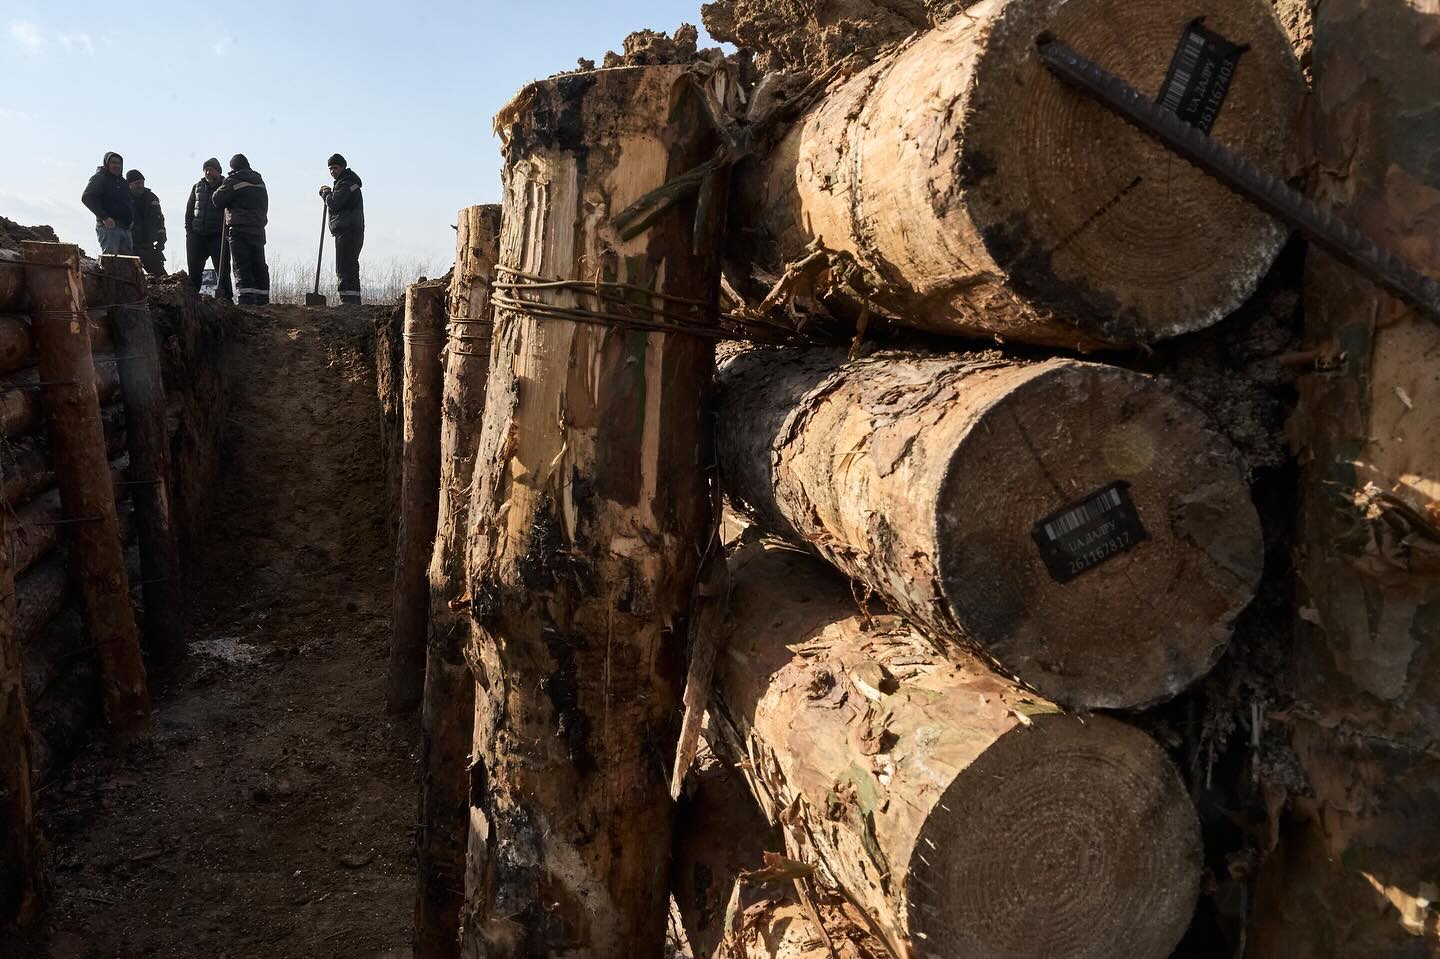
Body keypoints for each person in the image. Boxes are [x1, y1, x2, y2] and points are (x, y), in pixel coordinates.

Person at [211, 154, 270, 306]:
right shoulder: (259, 180)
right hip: (258, 228)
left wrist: (225, 185)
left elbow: (217, 199)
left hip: (239, 229)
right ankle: (262, 299)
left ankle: (246, 300)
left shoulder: (233, 180)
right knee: (258, 264)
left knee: (241, 265)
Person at [184, 158, 232, 302]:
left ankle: (227, 300)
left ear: (218, 171)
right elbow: (190, 209)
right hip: (197, 235)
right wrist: (189, 230)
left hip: (217, 235)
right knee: (194, 271)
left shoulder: (226, 187)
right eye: (206, 169)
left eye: (211, 169)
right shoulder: (197, 187)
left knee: (222, 271)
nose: (208, 172)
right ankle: (192, 301)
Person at [319, 153, 364, 305]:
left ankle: (348, 303)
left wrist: (325, 194)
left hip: (347, 231)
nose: (332, 171)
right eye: (330, 169)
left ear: (343, 167)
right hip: (353, 230)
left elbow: (335, 203)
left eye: (335, 168)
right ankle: (353, 301)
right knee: (351, 267)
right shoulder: (350, 182)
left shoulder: (345, 183)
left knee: (344, 268)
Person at [81, 151, 134, 255]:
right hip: (109, 228)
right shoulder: (100, 178)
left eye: (119, 163)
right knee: (111, 262)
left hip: (125, 229)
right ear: (107, 164)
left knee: (128, 265)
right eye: (113, 163)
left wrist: (131, 219)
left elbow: (129, 202)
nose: (116, 166)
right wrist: (104, 217)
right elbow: (87, 197)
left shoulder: (123, 182)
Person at [126, 170, 167, 276]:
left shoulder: (151, 198)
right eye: (137, 183)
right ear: (129, 184)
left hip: (148, 245)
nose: (140, 186)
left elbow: (159, 219)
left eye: (142, 183)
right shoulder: (123, 198)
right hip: (129, 246)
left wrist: (162, 238)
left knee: (161, 277)